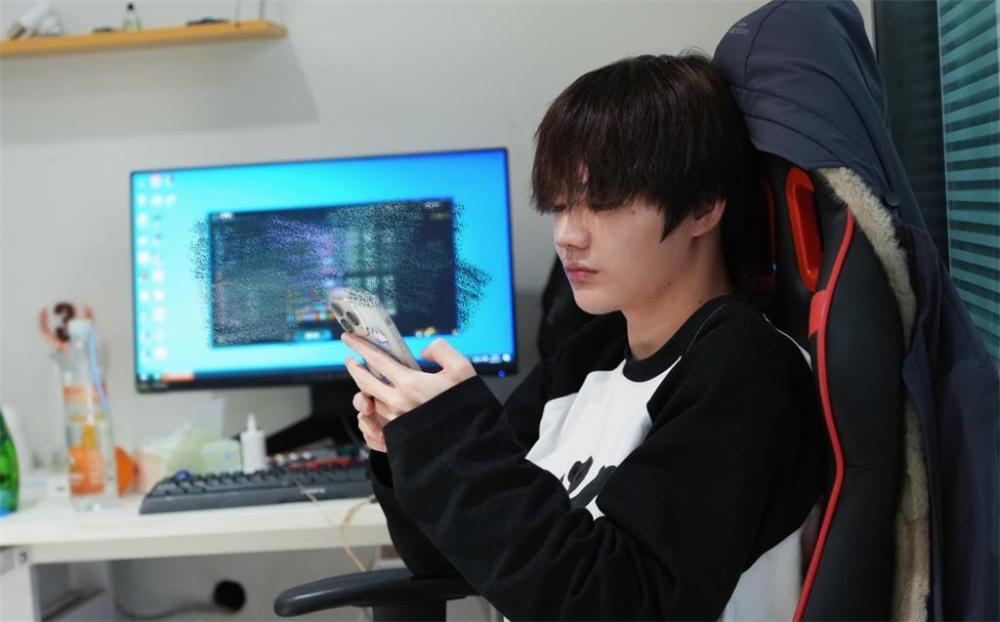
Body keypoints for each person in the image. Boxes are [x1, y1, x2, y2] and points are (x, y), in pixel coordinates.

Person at [341, 53, 826, 620]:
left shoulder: (744, 369)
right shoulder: (588, 357)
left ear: (702, 207)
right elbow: (450, 561)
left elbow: (623, 603)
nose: (567, 236)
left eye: (603, 203)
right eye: (559, 205)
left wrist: (454, 436)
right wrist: (410, 447)